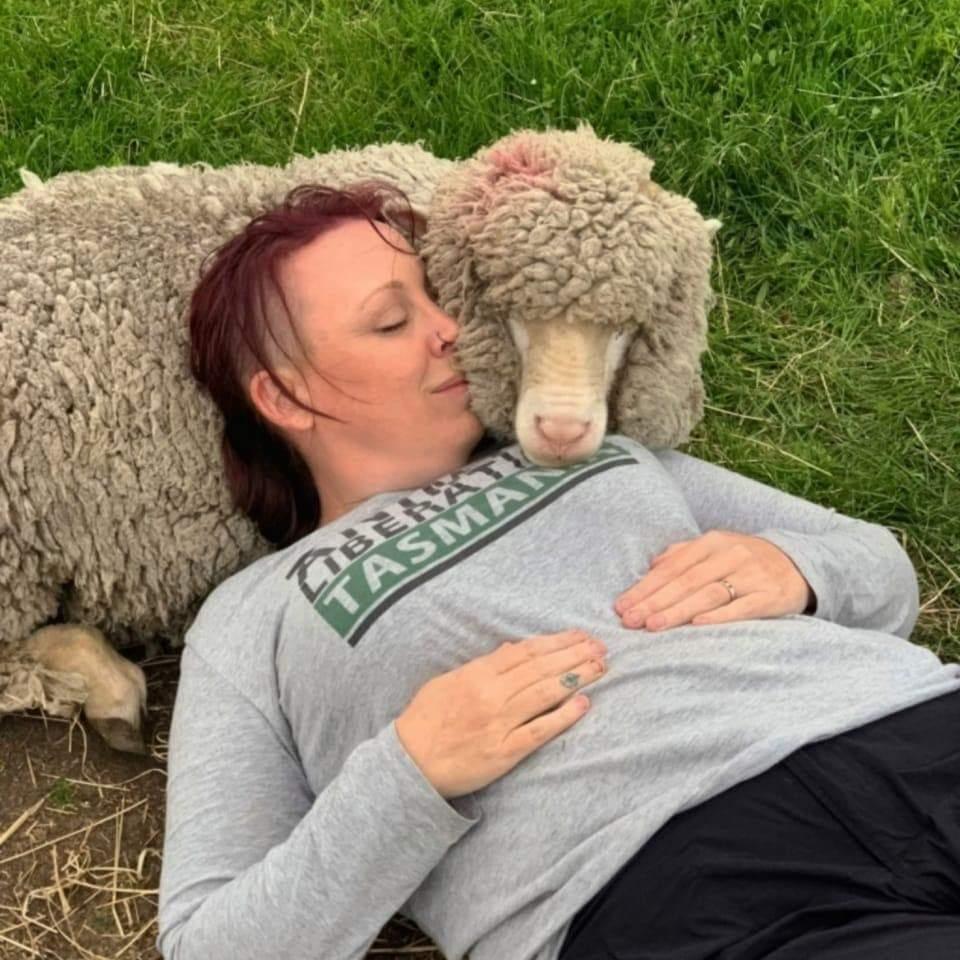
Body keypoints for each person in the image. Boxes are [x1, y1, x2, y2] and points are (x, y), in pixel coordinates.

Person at [157, 181, 960, 960]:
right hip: (672, 879)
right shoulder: (253, 614)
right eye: (392, 321)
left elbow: (880, 566)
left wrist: (795, 566)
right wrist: (409, 771)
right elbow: (209, 941)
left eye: (440, 301)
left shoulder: (598, 454)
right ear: (285, 397)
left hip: (911, 727)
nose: (449, 330)